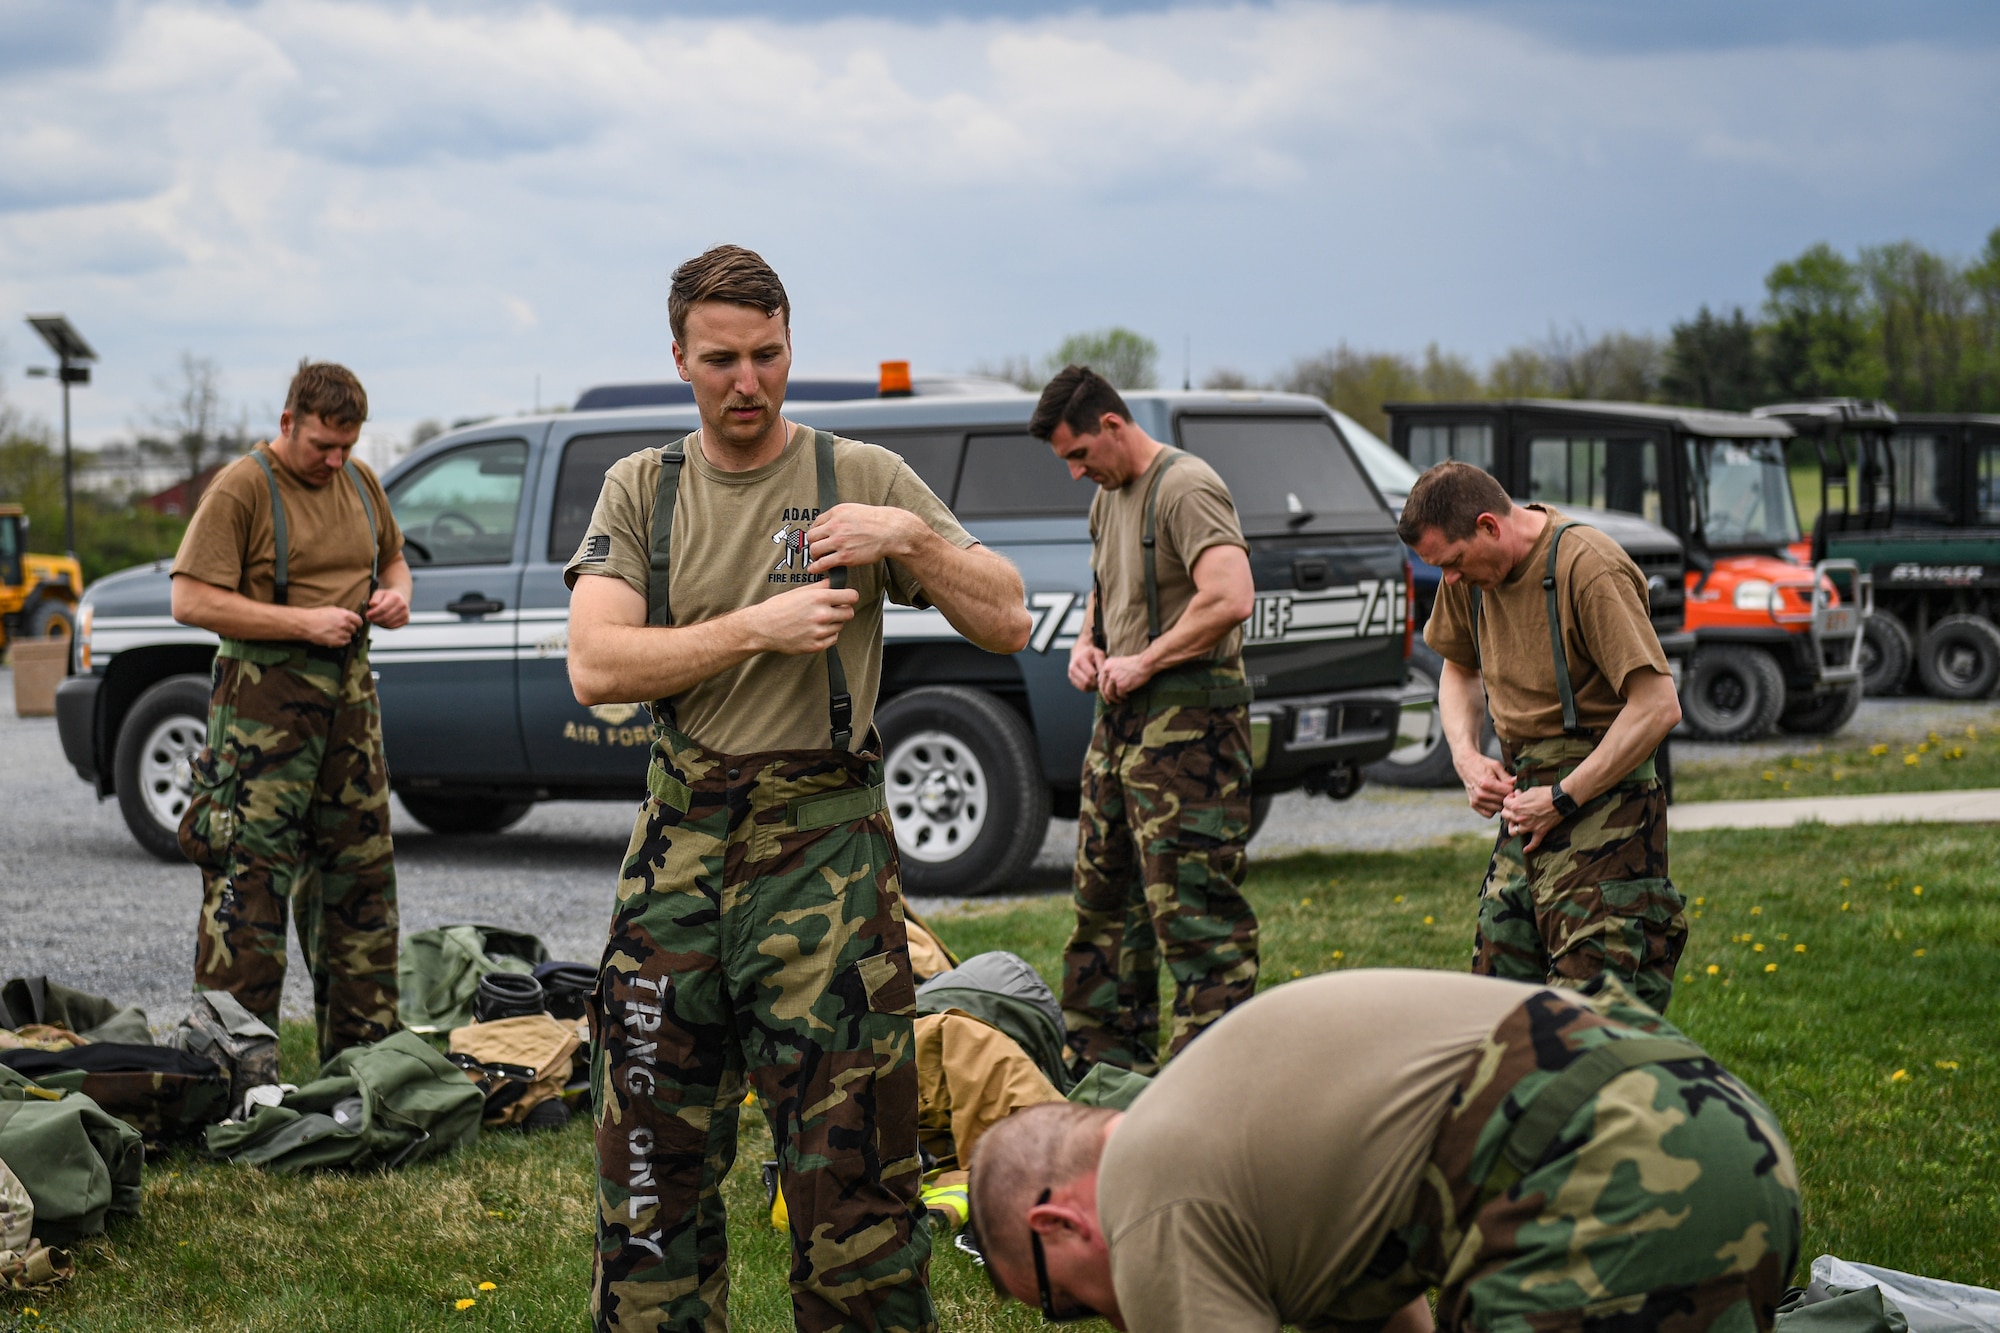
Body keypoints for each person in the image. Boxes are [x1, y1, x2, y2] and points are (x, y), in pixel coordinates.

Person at [564, 244, 1031, 1333]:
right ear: (678, 356)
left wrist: (907, 537)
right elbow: (597, 662)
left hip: (824, 860)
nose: (747, 382)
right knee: (646, 1172)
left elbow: (1006, 615)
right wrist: (754, 630)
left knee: (853, 1182)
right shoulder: (645, 487)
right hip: (676, 858)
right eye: (720, 358)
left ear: (789, 347)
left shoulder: (855, 475)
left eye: (767, 355)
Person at [968, 969, 1800, 1333]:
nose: (1087, 1318)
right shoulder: (1249, 1166)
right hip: (1723, 1131)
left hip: (1605, 1172)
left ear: (1058, 1220)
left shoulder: (1147, 1191)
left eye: (1062, 1306)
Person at [170, 360, 409, 1065]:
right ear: (287, 423)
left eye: (347, 447)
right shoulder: (244, 486)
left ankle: (365, 1059)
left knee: (361, 877)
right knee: (250, 883)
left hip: (350, 701)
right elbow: (189, 598)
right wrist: (301, 623)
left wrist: (399, 596)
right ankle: (233, 1069)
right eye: (321, 447)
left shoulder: (361, 483)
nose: (334, 461)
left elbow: (394, 563)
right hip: (260, 709)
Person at [1029, 365, 1258, 1077]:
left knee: (1192, 917)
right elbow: (1107, 588)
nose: (1074, 473)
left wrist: (1146, 660)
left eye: (1077, 455)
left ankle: (1205, 1089)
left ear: (1112, 425)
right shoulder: (1108, 498)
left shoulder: (1186, 487)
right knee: (1102, 908)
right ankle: (1107, 1080)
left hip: (1191, 726)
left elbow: (1230, 596)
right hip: (1122, 719)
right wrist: (1088, 644)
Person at [1398, 462, 1687, 1012]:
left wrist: (1562, 798)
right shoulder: (1470, 577)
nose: (1450, 580)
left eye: (1454, 563)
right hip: (1525, 805)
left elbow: (1656, 706)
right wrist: (1466, 757)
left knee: (1598, 1012)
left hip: (1605, 806)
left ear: (1489, 526)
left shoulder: (1588, 566)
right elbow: (1457, 668)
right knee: (1499, 1003)